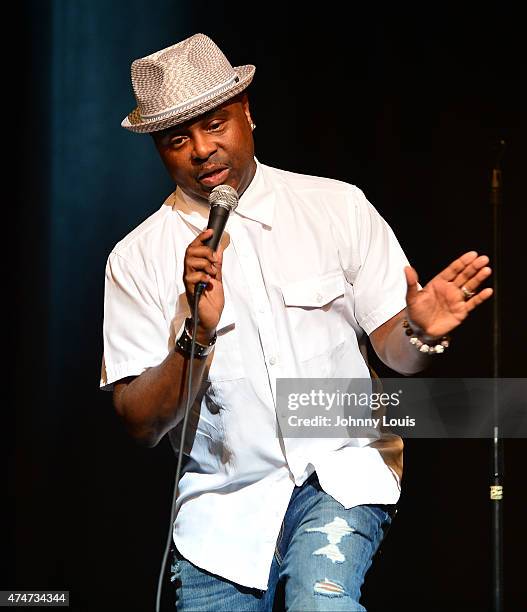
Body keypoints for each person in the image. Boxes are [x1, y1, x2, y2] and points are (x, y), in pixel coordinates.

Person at [100, 33, 493, 611]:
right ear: (159, 148)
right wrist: (197, 336)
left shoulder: (336, 207)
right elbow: (138, 423)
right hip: (221, 518)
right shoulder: (135, 258)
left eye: (216, 125)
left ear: (248, 114)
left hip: (340, 473)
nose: (203, 150)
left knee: (320, 602)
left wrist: (420, 331)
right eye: (177, 139)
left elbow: (395, 354)